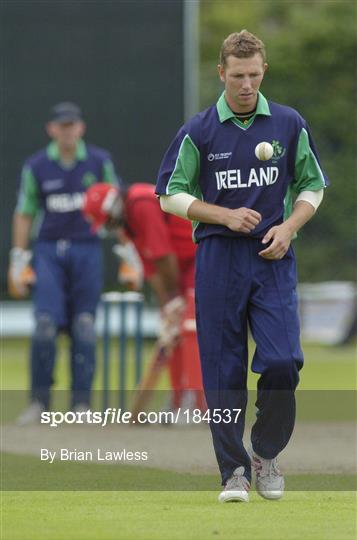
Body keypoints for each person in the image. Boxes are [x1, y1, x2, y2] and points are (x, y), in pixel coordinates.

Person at [156, 30, 328, 502]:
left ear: (263, 71)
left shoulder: (289, 124)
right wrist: (223, 214)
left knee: (282, 360)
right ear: (221, 73)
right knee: (222, 370)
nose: (246, 85)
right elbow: (170, 194)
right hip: (218, 259)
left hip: (272, 257)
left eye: (254, 75)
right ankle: (233, 472)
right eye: (237, 76)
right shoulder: (199, 130)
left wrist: (290, 226)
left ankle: (265, 452)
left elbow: (313, 186)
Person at [8, 102, 119, 424]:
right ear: (52, 129)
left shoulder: (99, 162)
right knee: (44, 326)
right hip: (48, 251)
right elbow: (25, 211)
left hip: (87, 249)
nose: (67, 131)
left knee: (84, 325)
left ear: (80, 128)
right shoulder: (38, 165)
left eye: (72, 125)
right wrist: (18, 258)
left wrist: (129, 253)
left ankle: (81, 405)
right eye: (61, 125)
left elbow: (116, 208)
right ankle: (39, 403)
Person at [82, 182, 204, 413]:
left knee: (190, 328)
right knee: (171, 331)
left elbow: (163, 254)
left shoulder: (141, 205)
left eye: (106, 221)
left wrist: (176, 297)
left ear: (112, 209)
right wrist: (166, 305)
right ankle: (178, 400)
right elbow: (150, 268)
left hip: (197, 256)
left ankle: (197, 402)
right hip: (176, 267)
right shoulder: (128, 221)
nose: (108, 227)